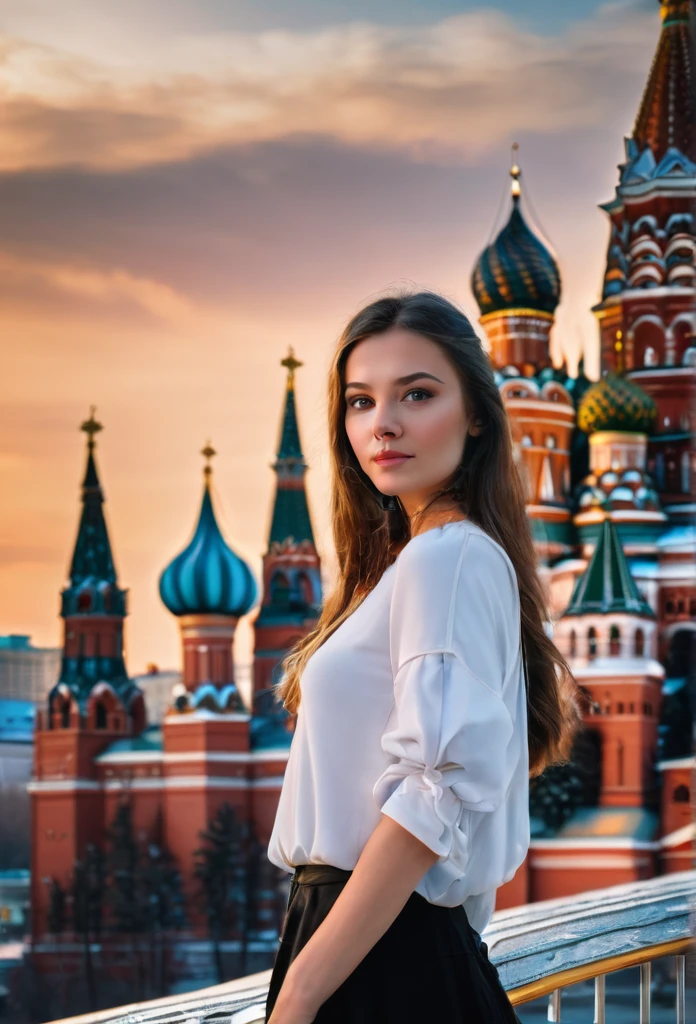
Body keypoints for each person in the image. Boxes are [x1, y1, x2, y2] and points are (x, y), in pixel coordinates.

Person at [263, 291, 581, 1024]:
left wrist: (303, 996)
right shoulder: (413, 565)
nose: (384, 424)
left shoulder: (451, 558)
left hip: (375, 955)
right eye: (360, 401)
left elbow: (431, 798)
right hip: (375, 944)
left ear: (475, 414)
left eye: (417, 393)